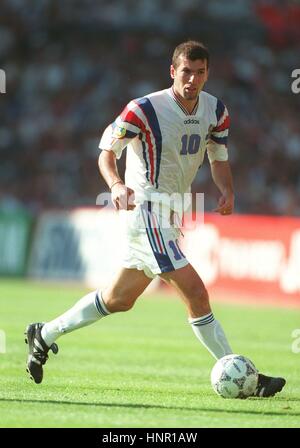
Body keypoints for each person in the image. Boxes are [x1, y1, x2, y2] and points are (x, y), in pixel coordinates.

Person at [25, 40, 285, 397]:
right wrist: (116, 184)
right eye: (186, 72)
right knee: (196, 292)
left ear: (208, 73)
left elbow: (218, 155)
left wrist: (227, 190)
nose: (193, 79)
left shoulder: (217, 111)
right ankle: (247, 381)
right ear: (172, 71)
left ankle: (44, 334)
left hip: (172, 212)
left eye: (200, 72)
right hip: (145, 210)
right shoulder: (143, 109)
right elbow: (106, 152)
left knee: (118, 299)